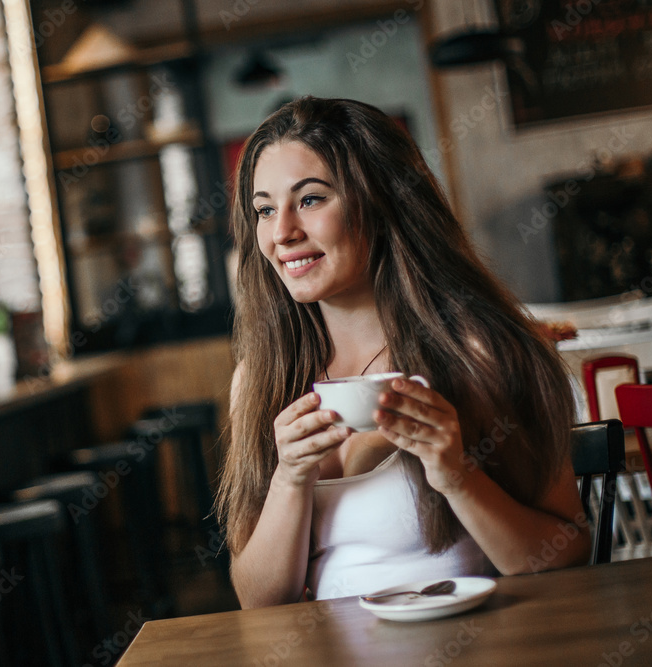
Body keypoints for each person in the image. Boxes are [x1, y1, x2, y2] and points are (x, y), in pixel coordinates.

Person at [215, 97, 591, 608]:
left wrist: (456, 474)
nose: (282, 233)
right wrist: (289, 478)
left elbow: (566, 554)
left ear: (381, 200)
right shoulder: (259, 380)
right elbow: (259, 601)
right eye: (264, 209)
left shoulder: (477, 354)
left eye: (310, 200)